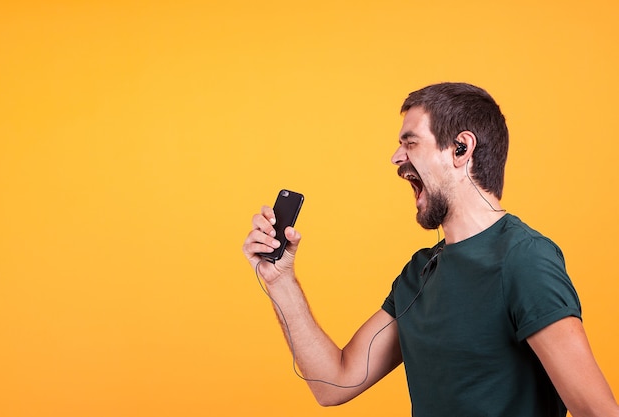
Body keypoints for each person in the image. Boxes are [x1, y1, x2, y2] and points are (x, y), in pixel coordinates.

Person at [242, 82, 619, 416]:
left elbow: (596, 410)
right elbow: (333, 384)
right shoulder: (420, 273)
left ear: (460, 148)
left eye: (410, 142)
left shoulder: (524, 259)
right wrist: (280, 281)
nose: (396, 157)